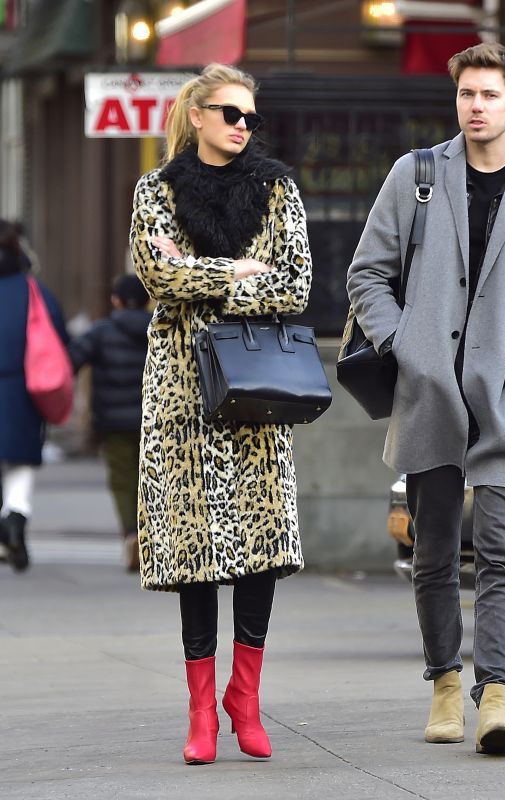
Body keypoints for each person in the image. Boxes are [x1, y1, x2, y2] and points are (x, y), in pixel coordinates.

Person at [347, 42, 505, 755]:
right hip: (429, 397)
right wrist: (407, 346)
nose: (476, 106)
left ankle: (494, 694)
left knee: (501, 555)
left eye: (489, 95)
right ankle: (444, 683)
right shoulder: (417, 176)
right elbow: (367, 276)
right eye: (466, 94)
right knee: (435, 553)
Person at [129, 63, 312, 764]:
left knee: (260, 545)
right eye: (231, 114)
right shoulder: (156, 191)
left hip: (260, 387)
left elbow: (293, 285)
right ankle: (202, 711)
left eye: (250, 118)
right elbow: (158, 276)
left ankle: (246, 695)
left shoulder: (278, 190)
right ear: (198, 115)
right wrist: (238, 272)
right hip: (181, 392)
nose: (242, 127)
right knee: (197, 551)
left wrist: (206, 277)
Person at [68, 274, 151, 572]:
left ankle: (131, 535)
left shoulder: (101, 331)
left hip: (113, 421)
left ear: (115, 300)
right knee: (151, 479)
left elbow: (70, 361)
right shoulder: (159, 328)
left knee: (122, 479)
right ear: (147, 300)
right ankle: (152, 536)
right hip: (154, 422)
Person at [0, 219, 69, 571]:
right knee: (20, 462)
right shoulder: (30, 289)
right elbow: (58, 333)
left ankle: (6, 528)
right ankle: (15, 515)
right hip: (20, 387)